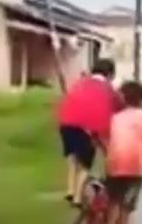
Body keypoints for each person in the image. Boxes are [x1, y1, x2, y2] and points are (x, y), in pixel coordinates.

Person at [57, 59, 122, 208]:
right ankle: (78, 198)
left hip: (66, 123)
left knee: (73, 157)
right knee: (86, 163)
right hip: (87, 128)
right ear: (110, 74)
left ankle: (70, 190)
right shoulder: (108, 88)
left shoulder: (79, 82)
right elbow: (118, 107)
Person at [105, 81, 142, 224]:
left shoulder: (114, 118)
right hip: (137, 167)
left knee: (113, 202)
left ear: (122, 98)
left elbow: (108, 138)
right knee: (127, 206)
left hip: (115, 165)